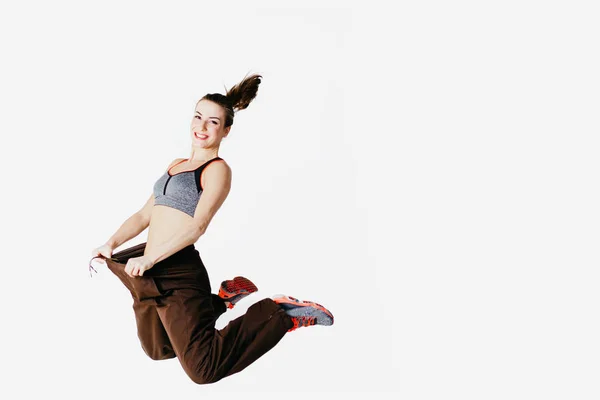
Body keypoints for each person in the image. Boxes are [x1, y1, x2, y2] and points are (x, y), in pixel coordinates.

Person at [88, 73, 334, 385]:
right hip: (148, 275)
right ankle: (220, 301)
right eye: (198, 117)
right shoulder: (175, 165)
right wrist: (110, 242)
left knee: (203, 369)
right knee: (158, 349)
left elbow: (197, 226)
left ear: (226, 130)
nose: (202, 127)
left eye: (213, 122)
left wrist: (150, 259)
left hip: (176, 271)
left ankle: (279, 313)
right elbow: (143, 215)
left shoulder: (217, 170)